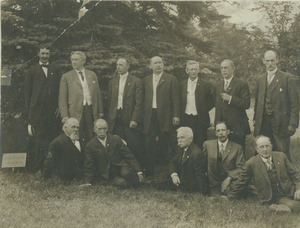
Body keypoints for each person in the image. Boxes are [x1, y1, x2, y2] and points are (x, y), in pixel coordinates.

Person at [228, 136, 300, 213]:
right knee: (296, 206)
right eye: (261, 147)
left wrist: (298, 189)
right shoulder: (251, 163)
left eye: (267, 146)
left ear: (271, 147)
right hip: (270, 196)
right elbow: (241, 182)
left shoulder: (281, 156)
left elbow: (295, 174)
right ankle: (277, 207)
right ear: (257, 149)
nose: (265, 149)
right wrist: (230, 197)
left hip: (287, 191)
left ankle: (279, 207)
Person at [253, 50, 299, 161]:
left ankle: (287, 176)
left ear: (277, 60)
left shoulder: (287, 78)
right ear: (263, 61)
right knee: (262, 151)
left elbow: (295, 104)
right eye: (267, 61)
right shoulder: (260, 79)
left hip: (280, 123)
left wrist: (292, 124)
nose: (270, 63)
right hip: (263, 122)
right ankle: (263, 175)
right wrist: (255, 119)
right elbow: (258, 102)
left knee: (282, 153)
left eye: (272, 60)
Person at [24, 46, 61, 171]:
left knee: (53, 137)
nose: (45, 56)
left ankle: (52, 167)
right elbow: (27, 95)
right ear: (38, 54)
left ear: (50, 55)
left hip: (53, 112)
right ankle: (38, 167)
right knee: (39, 140)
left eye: (47, 53)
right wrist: (30, 114)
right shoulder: (31, 71)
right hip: (38, 113)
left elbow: (59, 91)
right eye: (43, 53)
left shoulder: (56, 70)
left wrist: (59, 107)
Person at [142, 56, 180, 176]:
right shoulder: (145, 80)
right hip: (149, 116)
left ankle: (163, 173)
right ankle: (149, 172)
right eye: (155, 63)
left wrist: (176, 115)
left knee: (165, 144)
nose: (158, 65)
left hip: (165, 116)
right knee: (149, 144)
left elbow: (176, 99)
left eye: (160, 63)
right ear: (150, 66)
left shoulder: (171, 79)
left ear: (163, 65)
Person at [83, 119, 144, 188]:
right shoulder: (90, 145)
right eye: (99, 129)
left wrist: (139, 171)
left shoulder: (115, 139)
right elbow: (89, 165)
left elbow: (129, 156)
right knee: (122, 183)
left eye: (104, 128)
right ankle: (130, 183)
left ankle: (137, 180)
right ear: (94, 129)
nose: (102, 131)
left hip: (121, 167)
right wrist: (87, 182)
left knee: (127, 174)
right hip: (108, 174)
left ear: (107, 129)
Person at [59, 51, 103, 144]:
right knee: (77, 136)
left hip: (90, 110)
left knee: (91, 135)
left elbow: (98, 94)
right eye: (72, 60)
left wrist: (100, 111)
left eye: (76, 60)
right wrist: (65, 116)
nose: (73, 62)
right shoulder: (66, 77)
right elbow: (62, 98)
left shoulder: (92, 74)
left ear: (83, 61)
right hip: (75, 110)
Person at [107, 58, 143, 164]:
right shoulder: (112, 82)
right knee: (118, 141)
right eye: (117, 65)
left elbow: (139, 103)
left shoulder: (136, 81)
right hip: (115, 117)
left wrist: (135, 119)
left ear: (128, 66)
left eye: (121, 65)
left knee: (133, 144)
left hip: (129, 118)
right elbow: (110, 102)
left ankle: (137, 168)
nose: (118, 67)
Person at [214, 59, 250, 150]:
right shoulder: (217, 86)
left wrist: (230, 99)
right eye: (221, 68)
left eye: (226, 67)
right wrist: (216, 125)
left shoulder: (242, 84)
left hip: (237, 127)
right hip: (222, 128)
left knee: (238, 153)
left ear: (233, 69)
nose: (223, 70)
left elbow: (246, 103)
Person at [202, 122, 245, 196]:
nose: (221, 133)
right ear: (215, 133)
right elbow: (202, 164)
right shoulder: (208, 145)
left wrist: (229, 178)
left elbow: (241, 168)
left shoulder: (237, 148)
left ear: (228, 131)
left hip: (229, 181)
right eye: (218, 131)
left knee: (238, 187)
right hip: (212, 181)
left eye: (223, 130)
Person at [179, 60, 214, 148]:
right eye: (191, 69)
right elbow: (178, 101)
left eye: (195, 69)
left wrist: (203, 109)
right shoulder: (181, 85)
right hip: (185, 118)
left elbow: (212, 101)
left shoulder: (205, 85)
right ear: (187, 71)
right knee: (185, 142)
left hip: (200, 118)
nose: (193, 71)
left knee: (200, 142)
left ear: (198, 70)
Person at [169, 127, 208, 193]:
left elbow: (200, 177)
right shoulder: (181, 148)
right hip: (181, 183)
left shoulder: (196, 153)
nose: (179, 140)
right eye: (178, 138)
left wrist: (201, 194)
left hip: (190, 189)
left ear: (190, 139)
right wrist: (174, 175)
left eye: (182, 137)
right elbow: (173, 161)